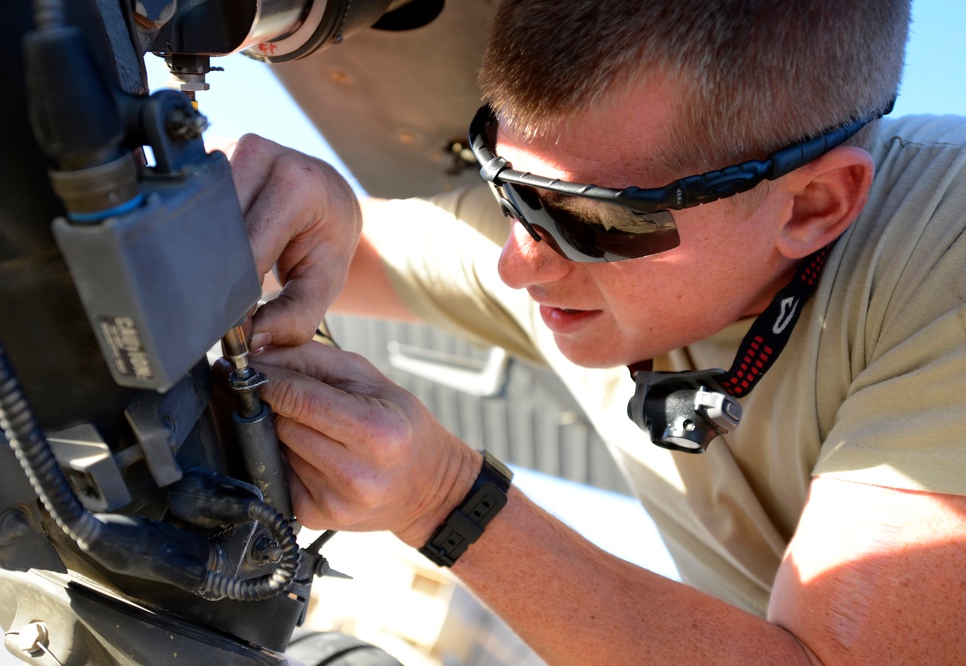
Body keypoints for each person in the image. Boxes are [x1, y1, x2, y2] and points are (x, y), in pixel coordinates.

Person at [221, 0, 966, 662]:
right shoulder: (569, 245)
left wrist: (442, 498)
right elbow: (342, 249)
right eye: (506, 189)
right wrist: (305, 205)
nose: (520, 266)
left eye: (596, 221)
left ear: (812, 206)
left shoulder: (944, 246)